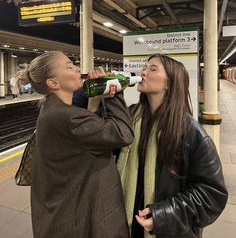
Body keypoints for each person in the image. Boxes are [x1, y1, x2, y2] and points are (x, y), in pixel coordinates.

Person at [20, 51, 134, 238]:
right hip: (76, 218)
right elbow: (124, 133)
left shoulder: (52, 109)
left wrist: (95, 99)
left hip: (62, 213)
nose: (78, 68)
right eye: (69, 66)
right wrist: (114, 91)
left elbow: (83, 135)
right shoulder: (66, 116)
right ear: (53, 83)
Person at [117, 54, 228, 238]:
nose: (143, 71)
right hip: (128, 225)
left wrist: (163, 215)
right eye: (145, 67)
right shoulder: (130, 119)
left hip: (165, 230)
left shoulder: (191, 133)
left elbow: (212, 195)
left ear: (169, 83)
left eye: (152, 69)